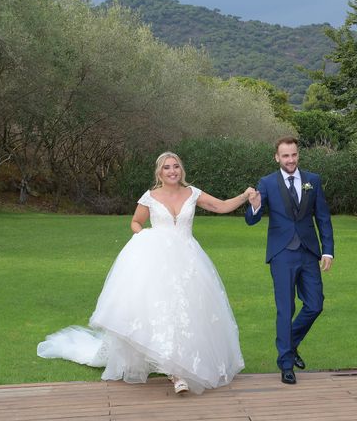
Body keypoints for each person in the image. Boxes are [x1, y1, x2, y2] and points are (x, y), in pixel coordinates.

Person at [38, 151, 251, 395]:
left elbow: (221, 206)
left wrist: (245, 195)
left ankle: (184, 363)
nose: (172, 171)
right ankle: (176, 373)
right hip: (157, 262)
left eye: (176, 167)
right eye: (167, 168)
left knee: (189, 311)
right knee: (164, 311)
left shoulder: (193, 193)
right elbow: (135, 223)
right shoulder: (150, 197)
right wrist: (146, 237)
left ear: (181, 170)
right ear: (159, 173)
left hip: (189, 261)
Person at [245, 135, 334, 385]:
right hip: (282, 253)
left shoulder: (312, 181)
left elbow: (323, 218)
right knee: (286, 308)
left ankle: (289, 343)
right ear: (277, 157)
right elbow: (252, 219)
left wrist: (327, 250)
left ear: (298, 155)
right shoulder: (267, 183)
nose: (290, 160)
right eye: (285, 156)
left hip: (308, 251)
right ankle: (286, 363)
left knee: (315, 304)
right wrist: (254, 206)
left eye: (294, 155)